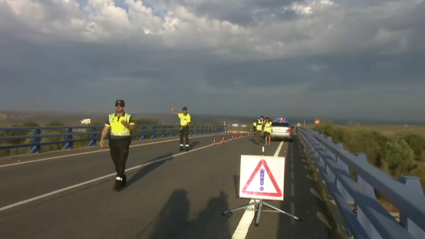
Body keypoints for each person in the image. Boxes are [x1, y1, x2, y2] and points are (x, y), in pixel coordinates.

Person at [100, 99, 137, 192]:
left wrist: (127, 125)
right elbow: (106, 128)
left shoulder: (128, 117)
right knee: (116, 162)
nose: (118, 107)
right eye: (117, 105)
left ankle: (118, 181)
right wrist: (102, 138)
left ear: (123, 107)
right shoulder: (110, 117)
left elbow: (134, 127)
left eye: (120, 105)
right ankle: (123, 176)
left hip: (124, 141)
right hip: (113, 142)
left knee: (121, 161)